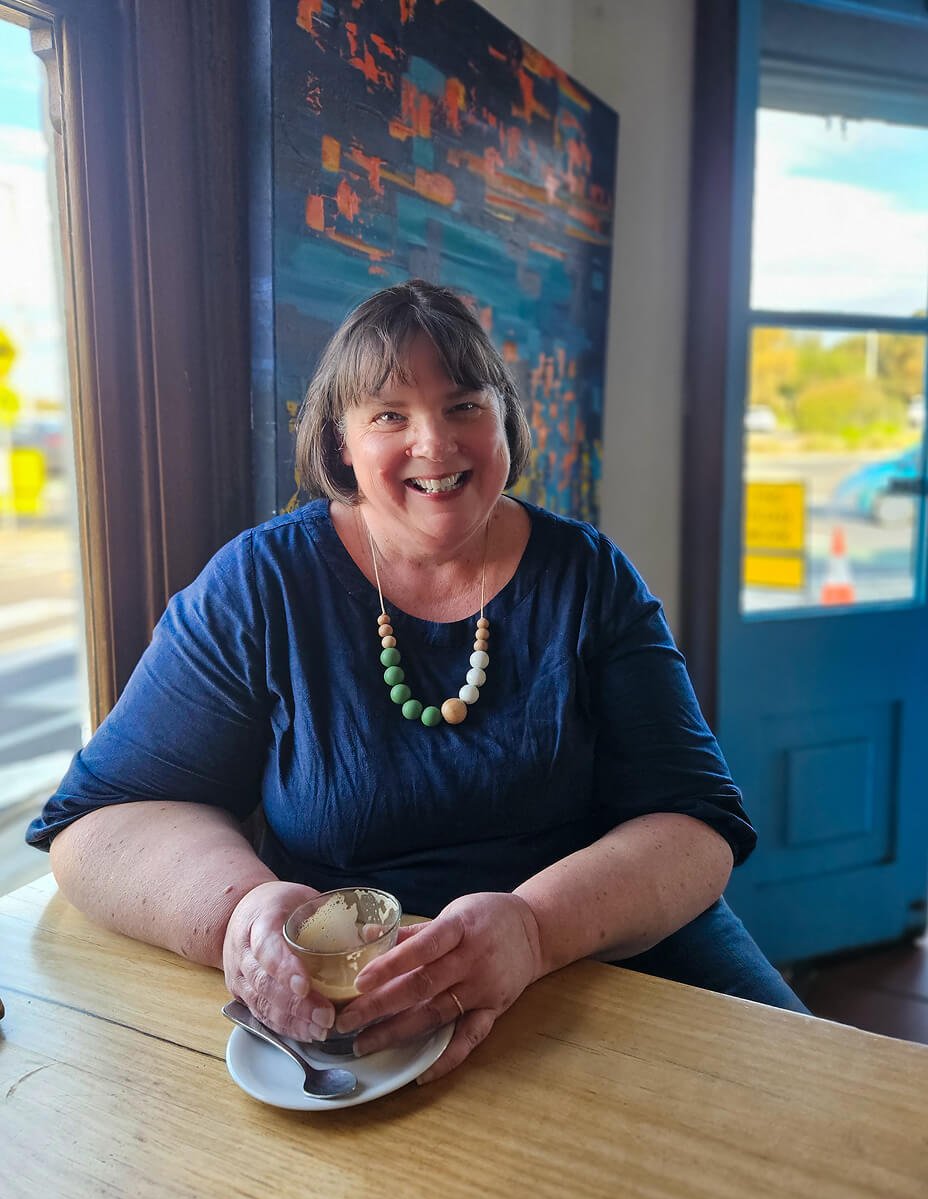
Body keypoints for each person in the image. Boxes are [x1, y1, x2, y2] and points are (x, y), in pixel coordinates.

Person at [28, 281, 808, 1084]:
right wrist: (241, 912)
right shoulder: (261, 585)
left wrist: (535, 931)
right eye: (390, 414)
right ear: (341, 443)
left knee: (812, 1117)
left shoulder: (590, 577)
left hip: (599, 942)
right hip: (361, 991)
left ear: (505, 417)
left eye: (465, 404)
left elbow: (696, 829)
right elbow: (95, 828)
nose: (435, 444)